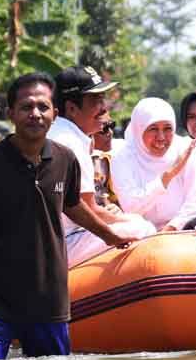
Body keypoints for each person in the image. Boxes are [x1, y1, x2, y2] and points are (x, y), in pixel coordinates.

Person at [0, 73, 138, 360]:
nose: (35, 114)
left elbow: (72, 205)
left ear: (55, 113)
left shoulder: (66, 160)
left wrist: (110, 235)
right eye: (26, 107)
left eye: (43, 107)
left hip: (48, 304)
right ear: (11, 113)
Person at [49, 66, 155, 266]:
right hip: (58, 245)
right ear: (71, 108)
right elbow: (88, 211)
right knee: (142, 227)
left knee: (132, 221)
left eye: (102, 98)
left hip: (56, 239)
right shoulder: (69, 142)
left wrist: (110, 214)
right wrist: (120, 220)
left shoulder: (60, 133)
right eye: (95, 100)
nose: (104, 107)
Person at [111, 97, 196, 231]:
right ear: (139, 129)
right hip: (140, 236)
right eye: (153, 129)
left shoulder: (187, 149)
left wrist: (172, 227)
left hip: (181, 230)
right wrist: (167, 177)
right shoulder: (122, 156)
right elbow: (131, 208)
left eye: (167, 128)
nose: (161, 137)